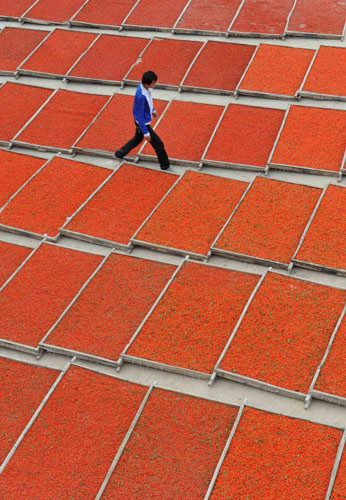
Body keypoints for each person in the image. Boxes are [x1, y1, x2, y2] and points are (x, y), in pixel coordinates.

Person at [115, 70, 170, 170]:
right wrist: (146, 132)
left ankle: (120, 153)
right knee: (158, 144)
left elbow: (148, 102)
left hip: (141, 120)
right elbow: (140, 117)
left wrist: (152, 110)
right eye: (153, 82)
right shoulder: (141, 96)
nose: (155, 84)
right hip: (142, 122)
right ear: (146, 83)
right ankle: (165, 165)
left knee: (138, 138)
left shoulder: (145, 88)